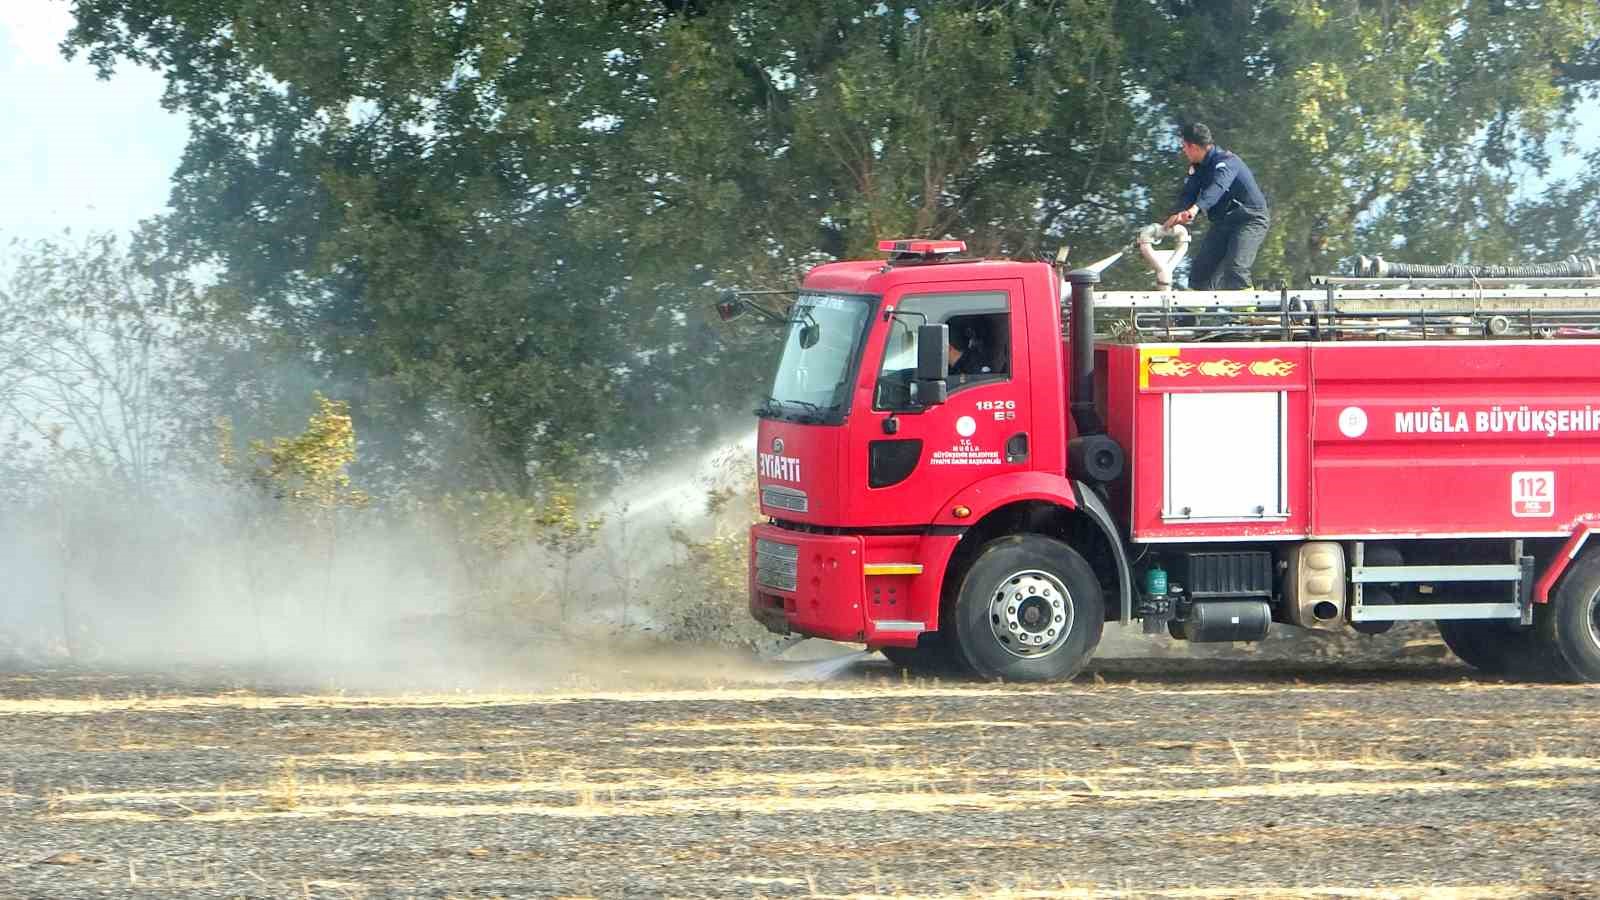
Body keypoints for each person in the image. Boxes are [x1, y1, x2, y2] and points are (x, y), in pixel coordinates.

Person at [1163, 123, 1269, 290]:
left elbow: (1217, 187)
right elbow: (1188, 195)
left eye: (1184, 146)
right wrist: (1174, 216)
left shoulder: (1227, 161)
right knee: (1200, 271)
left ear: (1194, 147)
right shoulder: (1198, 169)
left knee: (1235, 268)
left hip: (1250, 218)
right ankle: (1187, 316)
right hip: (1224, 222)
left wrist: (1194, 209)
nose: (1183, 150)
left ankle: (1247, 315)